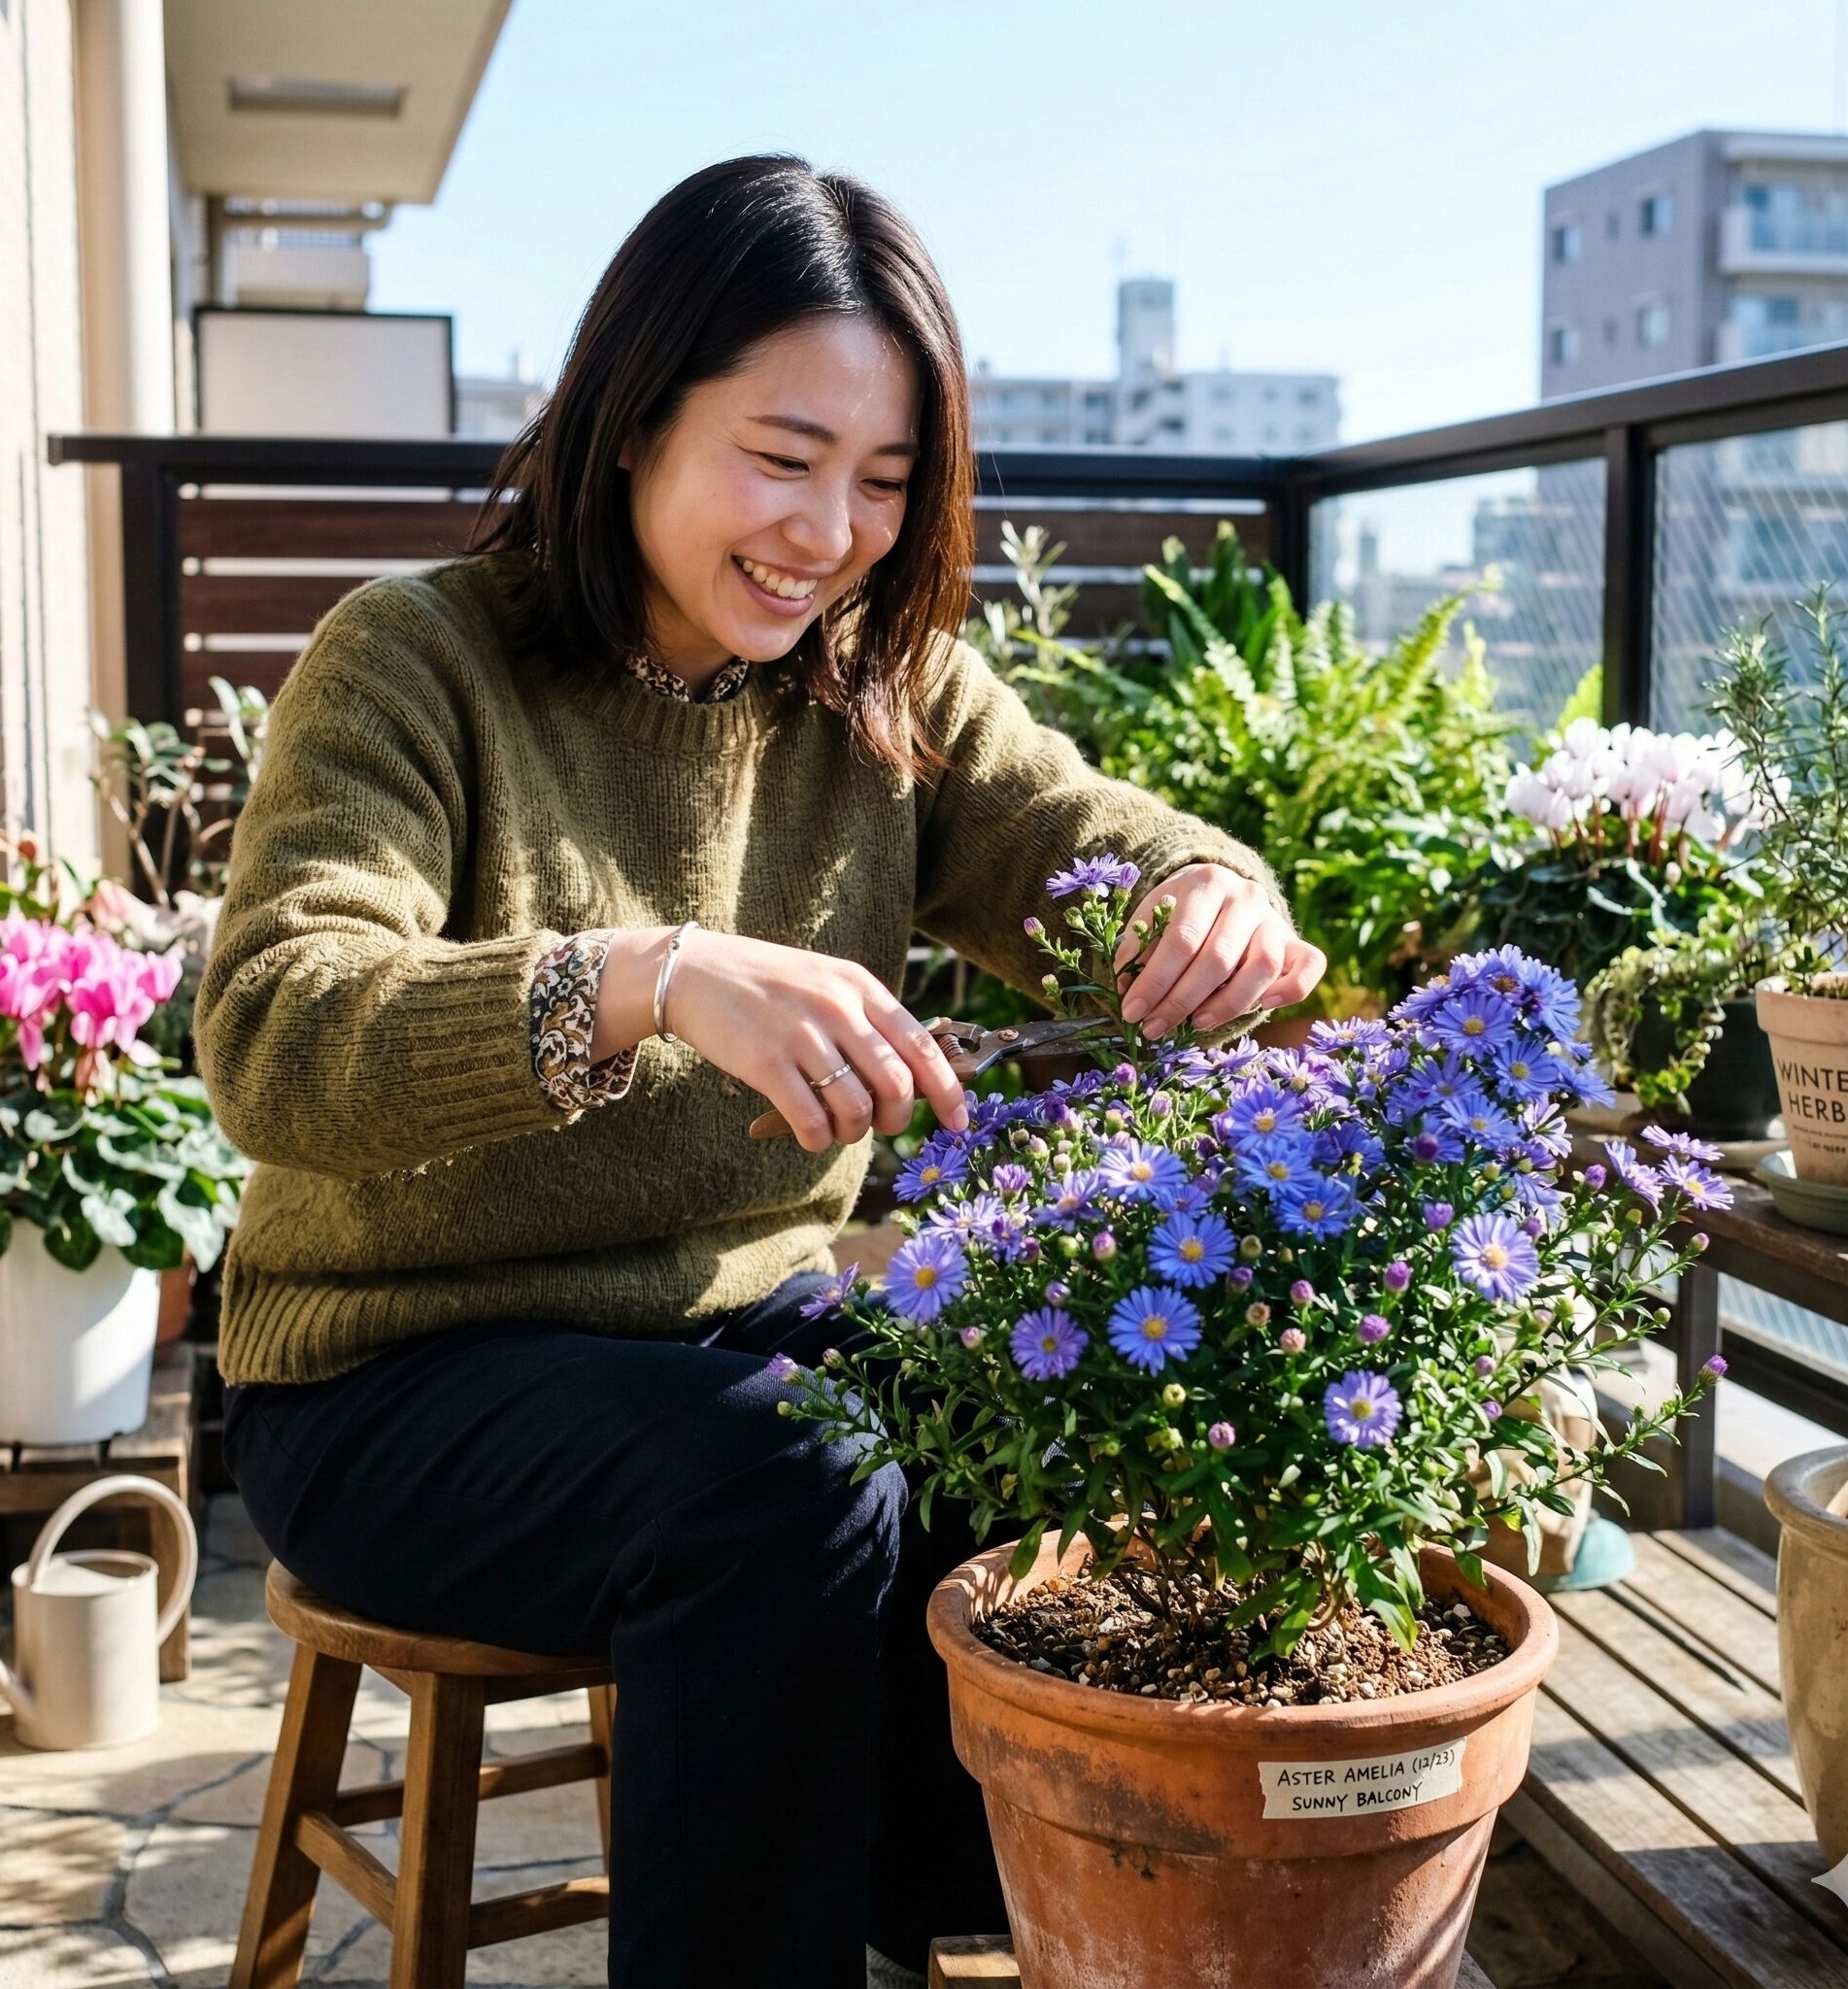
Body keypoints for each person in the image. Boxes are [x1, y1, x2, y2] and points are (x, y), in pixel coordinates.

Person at [199, 152, 1324, 1989]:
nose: (831, 533)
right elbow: (278, 1033)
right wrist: (640, 979)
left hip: (719, 1337)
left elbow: (1080, 837)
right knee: (785, 1480)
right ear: (632, 421)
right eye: (783, 459)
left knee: (1015, 1416)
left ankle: (946, 1936)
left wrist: (1209, 890)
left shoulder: (881, 688)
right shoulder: (414, 660)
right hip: (390, 1376)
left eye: (885, 482)